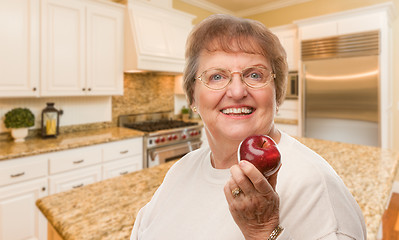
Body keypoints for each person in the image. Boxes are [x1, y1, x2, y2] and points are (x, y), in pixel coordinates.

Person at [130, 14, 366, 240]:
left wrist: (265, 232)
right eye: (216, 77)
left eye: (254, 75)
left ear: (277, 94)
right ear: (193, 97)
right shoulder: (181, 170)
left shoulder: (315, 186)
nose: (237, 91)